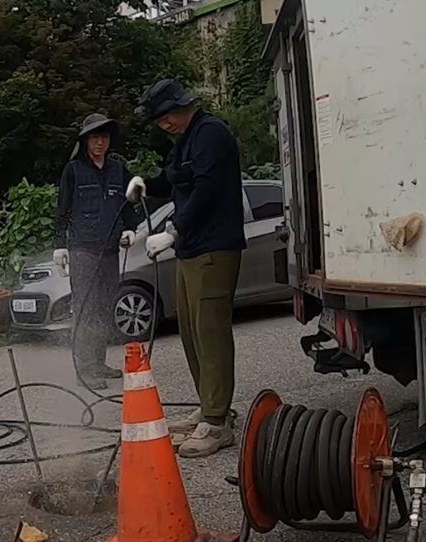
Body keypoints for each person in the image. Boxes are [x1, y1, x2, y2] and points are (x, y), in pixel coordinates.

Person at [126, 79, 246, 458]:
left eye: (165, 117)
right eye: (158, 121)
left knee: (211, 333)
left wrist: (174, 230)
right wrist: (146, 183)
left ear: (183, 106)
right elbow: (175, 182)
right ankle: (209, 408)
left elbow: (206, 192)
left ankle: (217, 421)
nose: (163, 125)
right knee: (192, 332)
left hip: (213, 248)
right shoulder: (185, 141)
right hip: (191, 249)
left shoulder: (211, 134)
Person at [54, 113, 142, 390]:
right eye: (94, 137)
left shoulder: (118, 169)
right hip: (83, 251)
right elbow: (62, 210)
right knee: (85, 308)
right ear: (86, 140)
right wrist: (59, 244)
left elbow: (129, 204)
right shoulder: (74, 171)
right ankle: (84, 368)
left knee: (104, 308)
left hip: (110, 251)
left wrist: (131, 228)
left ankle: (98, 362)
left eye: (104, 137)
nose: (100, 142)